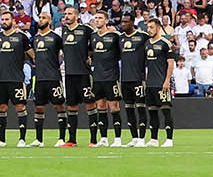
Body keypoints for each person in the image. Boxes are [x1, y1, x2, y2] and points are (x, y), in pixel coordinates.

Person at [0, 13, 31, 146]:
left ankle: (22, 139)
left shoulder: (21, 37)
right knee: (1, 108)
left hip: (16, 79)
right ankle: (1, 140)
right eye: (2, 19)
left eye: (7, 19)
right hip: (0, 79)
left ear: (13, 21)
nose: (4, 21)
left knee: (20, 107)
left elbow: (32, 54)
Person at [58, 11, 95, 148]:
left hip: (84, 74)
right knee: (71, 106)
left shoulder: (85, 29)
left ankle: (93, 140)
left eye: (70, 13)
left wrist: (90, 56)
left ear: (76, 16)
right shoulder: (63, 31)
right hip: (69, 74)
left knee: (90, 105)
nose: (67, 16)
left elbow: (96, 42)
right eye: (65, 14)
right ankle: (72, 139)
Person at [88, 11, 122, 147]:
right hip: (97, 77)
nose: (97, 20)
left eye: (100, 18)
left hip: (111, 76)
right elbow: (90, 52)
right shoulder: (93, 36)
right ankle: (103, 138)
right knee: (100, 106)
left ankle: (118, 138)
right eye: (96, 18)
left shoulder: (114, 36)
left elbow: (120, 53)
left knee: (114, 106)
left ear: (106, 20)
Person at [29, 11, 62, 147]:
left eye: (43, 18)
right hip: (40, 77)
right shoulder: (35, 38)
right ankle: (39, 139)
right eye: (40, 18)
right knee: (39, 108)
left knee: (59, 106)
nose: (40, 20)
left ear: (49, 20)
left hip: (53, 77)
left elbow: (64, 52)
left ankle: (61, 138)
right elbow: (30, 52)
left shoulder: (55, 37)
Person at [143, 18, 176, 146]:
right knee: (152, 111)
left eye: (151, 27)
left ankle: (169, 139)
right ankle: (154, 139)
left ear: (158, 27)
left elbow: (170, 64)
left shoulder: (165, 43)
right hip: (150, 83)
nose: (149, 30)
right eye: (148, 27)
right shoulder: (147, 44)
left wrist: (167, 81)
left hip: (161, 83)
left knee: (166, 110)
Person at [117, 14, 149, 146]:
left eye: (126, 22)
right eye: (122, 21)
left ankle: (142, 138)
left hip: (138, 78)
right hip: (124, 79)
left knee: (140, 108)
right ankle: (134, 137)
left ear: (132, 23)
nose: (123, 24)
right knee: (128, 108)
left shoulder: (142, 36)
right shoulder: (120, 38)